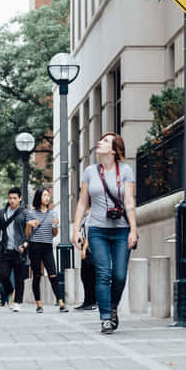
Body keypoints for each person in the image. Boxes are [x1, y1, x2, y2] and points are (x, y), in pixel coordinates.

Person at [72, 132, 138, 334]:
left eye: (106, 141)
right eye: (100, 139)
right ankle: (106, 318)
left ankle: (112, 307)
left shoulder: (125, 170)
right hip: (97, 229)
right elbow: (83, 202)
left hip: (121, 230)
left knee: (119, 275)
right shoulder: (90, 171)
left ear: (115, 149)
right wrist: (75, 229)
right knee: (103, 273)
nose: (100, 142)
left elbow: (128, 201)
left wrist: (134, 230)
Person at [24, 188, 68, 313]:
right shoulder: (30, 213)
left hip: (47, 246)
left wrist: (55, 225)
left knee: (53, 274)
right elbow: (27, 234)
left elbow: (54, 234)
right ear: (39, 197)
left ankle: (61, 303)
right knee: (37, 275)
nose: (47, 198)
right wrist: (29, 224)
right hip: (34, 246)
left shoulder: (53, 213)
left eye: (48, 195)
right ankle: (38, 304)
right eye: (44, 195)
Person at [0, 188, 28, 312]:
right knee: (3, 275)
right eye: (10, 198)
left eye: (14, 198)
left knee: (19, 278)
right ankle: (11, 291)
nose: (12, 201)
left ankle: (17, 302)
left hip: (20, 250)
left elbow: (29, 233)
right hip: (6, 250)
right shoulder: (1, 213)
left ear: (20, 198)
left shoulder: (25, 213)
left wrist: (25, 245)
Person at [74, 228, 97, 311]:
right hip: (85, 247)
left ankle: (94, 303)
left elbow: (91, 232)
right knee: (84, 276)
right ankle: (87, 302)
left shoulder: (92, 216)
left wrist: (84, 248)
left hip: (92, 248)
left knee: (92, 276)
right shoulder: (84, 219)